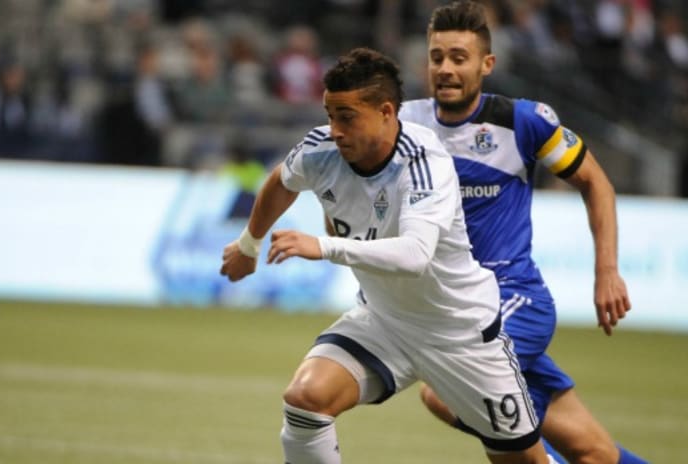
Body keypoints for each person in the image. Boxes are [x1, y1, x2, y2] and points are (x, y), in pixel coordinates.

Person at [220, 47, 554, 464]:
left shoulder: (424, 162)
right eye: (330, 115)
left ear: (385, 111)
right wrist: (248, 245)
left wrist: (322, 246)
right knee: (306, 398)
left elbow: (415, 255)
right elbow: (281, 181)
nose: (335, 130)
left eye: (347, 117)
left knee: (523, 461)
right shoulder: (321, 149)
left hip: (459, 332)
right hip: (385, 322)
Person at [398, 2, 648, 464]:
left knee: (443, 393)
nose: (446, 69)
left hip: (513, 299)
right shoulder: (404, 124)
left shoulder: (522, 121)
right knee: (595, 453)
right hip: (453, 311)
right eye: (437, 58)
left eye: (459, 57)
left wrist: (607, 271)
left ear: (486, 65)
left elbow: (596, 182)